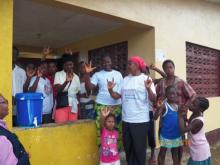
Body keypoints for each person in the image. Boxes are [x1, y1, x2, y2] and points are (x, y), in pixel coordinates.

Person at [108, 56, 156, 165]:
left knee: (139, 149)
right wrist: (110, 90)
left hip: (140, 120)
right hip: (126, 120)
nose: (128, 65)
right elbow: (117, 96)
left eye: (130, 63)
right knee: (128, 148)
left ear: (138, 65)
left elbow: (153, 99)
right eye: (128, 63)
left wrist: (148, 89)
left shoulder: (146, 79)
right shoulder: (125, 80)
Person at [156, 59, 197, 161]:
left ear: (174, 68)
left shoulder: (180, 82)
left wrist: (185, 106)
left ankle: (179, 159)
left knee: (179, 145)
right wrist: (158, 105)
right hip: (165, 119)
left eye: (171, 67)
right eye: (166, 68)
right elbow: (157, 96)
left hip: (180, 118)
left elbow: (193, 95)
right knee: (163, 147)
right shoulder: (161, 83)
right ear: (164, 70)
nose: (169, 70)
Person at [84, 55, 123, 148]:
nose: (106, 64)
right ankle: (102, 148)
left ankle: (115, 149)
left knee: (117, 127)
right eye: (104, 62)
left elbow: (122, 89)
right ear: (102, 64)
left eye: (108, 61)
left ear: (111, 62)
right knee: (100, 126)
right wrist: (87, 74)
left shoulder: (118, 74)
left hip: (116, 105)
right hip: (101, 105)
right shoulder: (98, 74)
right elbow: (90, 87)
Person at [154, 86, 182, 165]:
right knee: (162, 154)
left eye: (173, 94)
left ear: (176, 95)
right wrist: (159, 108)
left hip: (176, 135)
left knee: (175, 154)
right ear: (166, 94)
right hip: (165, 135)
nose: (172, 96)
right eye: (169, 94)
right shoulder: (164, 106)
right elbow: (155, 117)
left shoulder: (178, 106)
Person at [179, 97, 211, 165]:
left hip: (200, 151)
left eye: (194, 104)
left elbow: (183, 130)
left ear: (200, 109)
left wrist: (180, 115)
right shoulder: (195, 114)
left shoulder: (198, 121)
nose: (190, 105)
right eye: (192, 102)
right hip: (196, 148)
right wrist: (185, 119)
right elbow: (191, 125)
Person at [0, 94, 30, 165]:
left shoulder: (2, 127)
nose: (8, 104)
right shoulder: (2, 137)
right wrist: (24, 159)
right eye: (4, 102)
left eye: (7, 101)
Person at [54, 54, 80, 123]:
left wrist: (79, 108)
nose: (69, 67)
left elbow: (77, 93)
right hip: (62, 105)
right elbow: (57, 89)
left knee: (72, 127)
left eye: (70, 64)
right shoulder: (58, 74)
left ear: (73, 65)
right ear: (63, 65)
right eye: (66, 65)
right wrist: (66, 81)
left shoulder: (76, 77)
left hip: (73, 106)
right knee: (61, 127)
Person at [12, 46, 27, 126]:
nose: (14, 56)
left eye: (15, 54)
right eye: (12, 53)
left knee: (19, 127)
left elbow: (24, 88)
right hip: (4, 105)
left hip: (19, 104)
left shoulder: (21, 71)